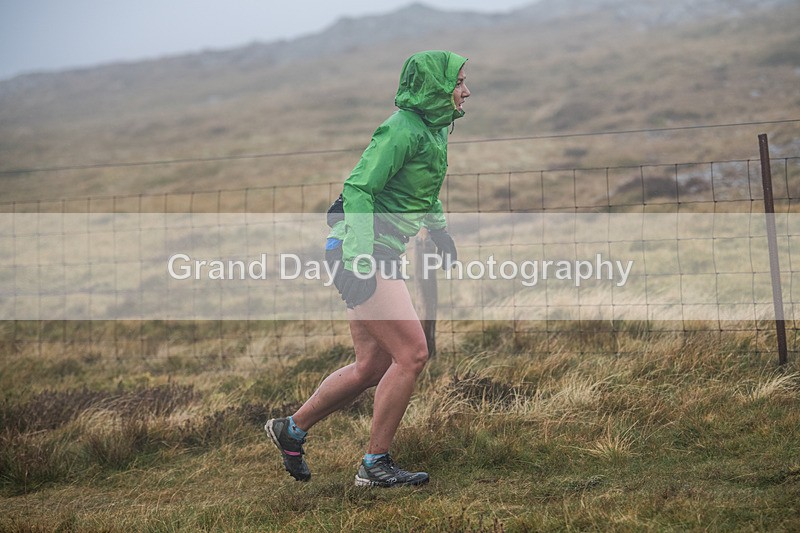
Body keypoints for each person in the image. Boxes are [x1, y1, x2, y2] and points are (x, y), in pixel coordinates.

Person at [266, 50, 470, 488]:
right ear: (436, 87)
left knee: (370, 367)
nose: (466, 90)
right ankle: (375, 465)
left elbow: (421, 191)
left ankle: (292, 429)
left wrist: (439, 232)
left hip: (378, 250)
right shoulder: (400, 130)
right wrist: (360, 259)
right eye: (458, 82)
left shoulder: (432, 131)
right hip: (362, 250)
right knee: (413, 354)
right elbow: (358, 189)